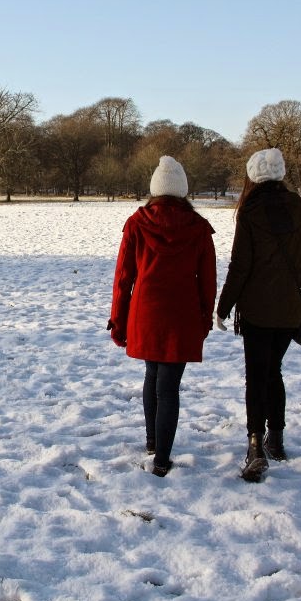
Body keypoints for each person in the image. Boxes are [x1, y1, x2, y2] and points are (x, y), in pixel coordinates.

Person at [215, 148, 301, 482]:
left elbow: (240, 265)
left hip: (255, 309)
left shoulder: (250, 211)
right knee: (274, 371)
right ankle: (277, 438)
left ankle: (255, 443)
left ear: (253, 176)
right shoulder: (300, 207)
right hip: (290, 308)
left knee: (257, 376)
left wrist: (223, 307)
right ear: (280, 174)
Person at [108, 156, 217, 477]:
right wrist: (204, 319)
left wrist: (118, 320)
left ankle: (154, 442)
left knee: (152, 377)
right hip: (182, 316)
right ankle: (160, 458)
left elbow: (123, 278)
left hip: (145, 313)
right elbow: (208, 282)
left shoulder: (137, 223)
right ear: (183, 192)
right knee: (168, 386)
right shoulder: (198, 229)